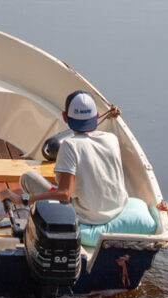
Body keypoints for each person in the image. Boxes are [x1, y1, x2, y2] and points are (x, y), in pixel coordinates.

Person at [20, 91, 159, 247]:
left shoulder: (69, 146)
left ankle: (35, 226)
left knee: (28, 178)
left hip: (86, 218)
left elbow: (64, 194)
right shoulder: (111, 139)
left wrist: (24, 200)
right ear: (97, 116)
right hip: (117, 208)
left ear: (65, 117)